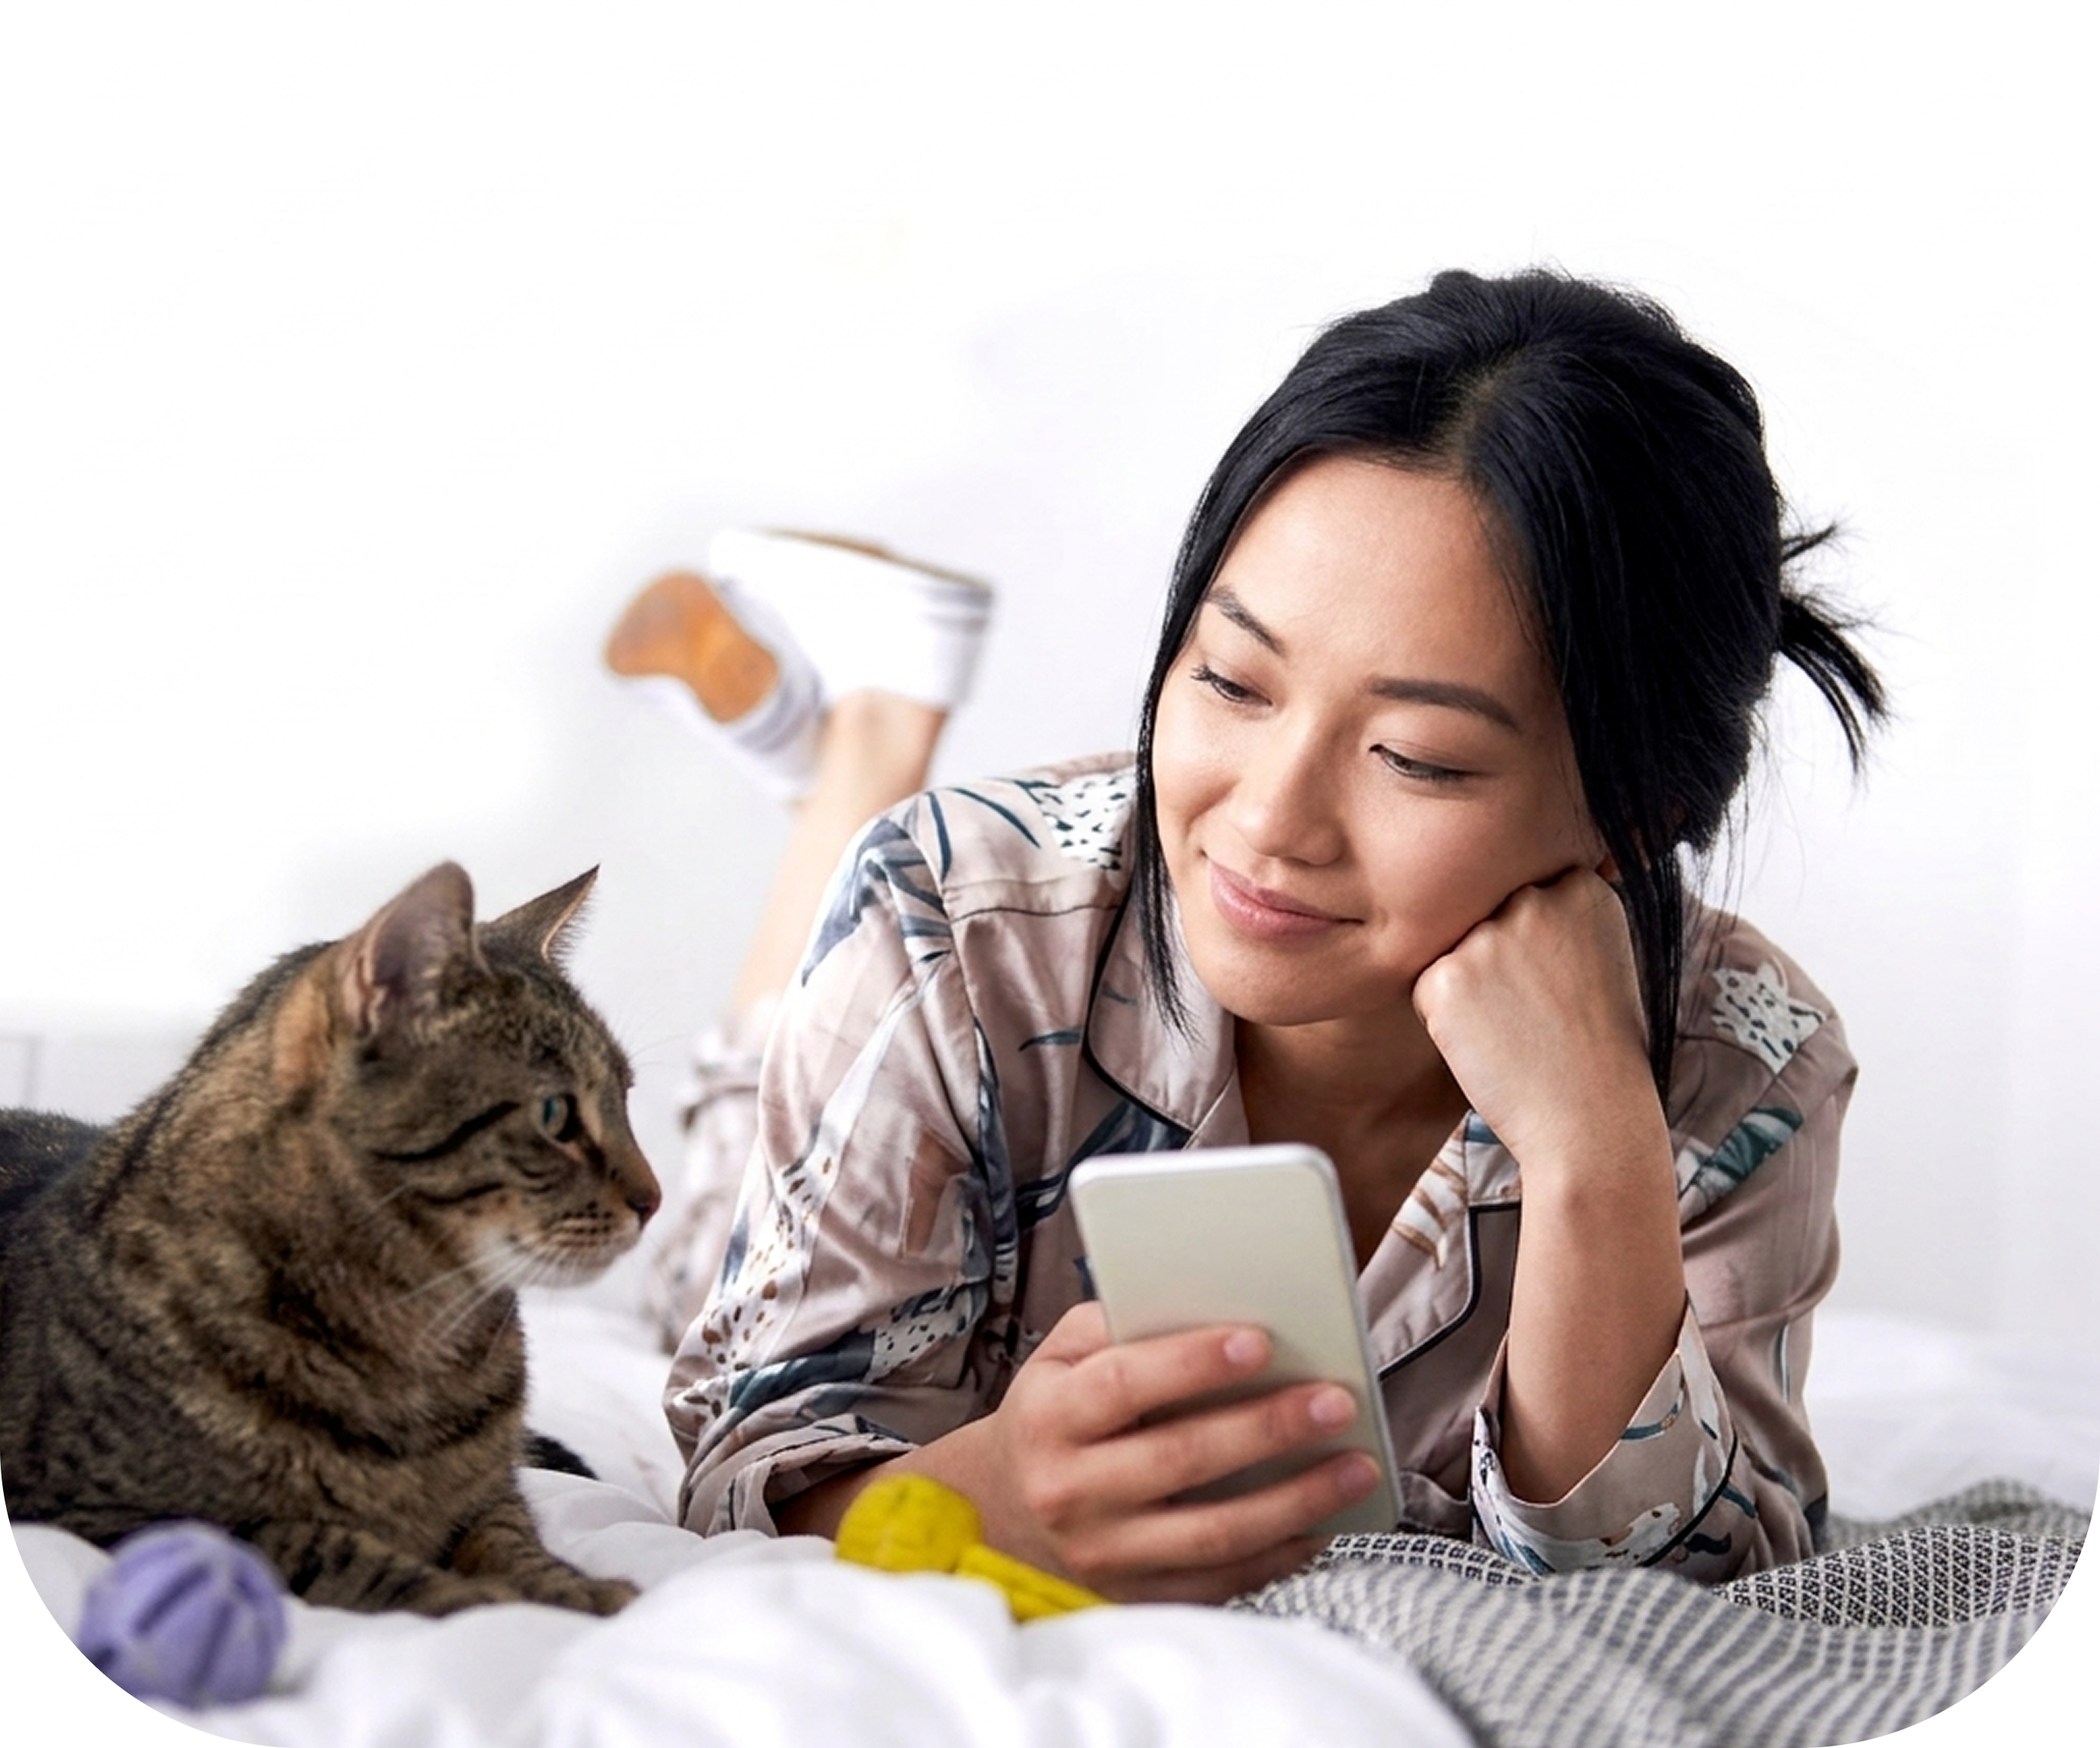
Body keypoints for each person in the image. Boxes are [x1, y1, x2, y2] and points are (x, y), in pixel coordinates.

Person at [614, 268, 1885, 1605]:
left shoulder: (1749, 1063)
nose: (1271, 822)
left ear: (1641, 811)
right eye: (1229, 679)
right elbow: (755, 1444)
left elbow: (1716, 1590)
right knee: (707, 1205)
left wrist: (1596, 1156)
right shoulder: (958, 914)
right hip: (905, 993)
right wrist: (990, 1497)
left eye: (1417, 755)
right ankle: (869, 738)